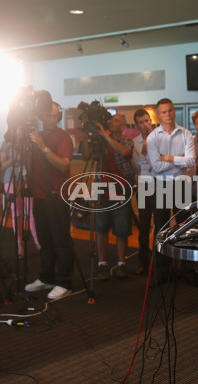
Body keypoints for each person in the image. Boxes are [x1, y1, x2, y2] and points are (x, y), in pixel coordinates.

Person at [22, 102, 75, 300]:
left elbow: (63, 165)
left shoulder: (63, 137)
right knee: (44, 240)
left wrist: (43, 147)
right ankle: (47, 277)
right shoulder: (37, 135)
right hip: (39, 194)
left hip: (57, 196)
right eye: (48, 115)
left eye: (55, 116)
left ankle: (64, 282)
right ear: (41, 116)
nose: (52, 120)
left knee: (61, 241)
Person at [147, 98, 195, 280]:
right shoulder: (153, 137)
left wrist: (167, 157)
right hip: (160, 185)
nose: (168, 114)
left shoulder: (185, 134)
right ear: (159, 114)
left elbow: (191, 161)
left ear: (174, 111)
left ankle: (187, 271)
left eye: (171, 110)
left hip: (181, 184)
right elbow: (156, 166)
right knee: (161, 229)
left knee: (185, 227)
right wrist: (179, 160)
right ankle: (160, 272)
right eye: (164, 112)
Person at [92, 114, 135, 280]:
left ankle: (121, 263)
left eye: (116, 120)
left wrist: (104, 135)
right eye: (111, 119)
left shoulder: (126, 141)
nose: (111, 121)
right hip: (102, 187)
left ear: (123, 126)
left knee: (121, 227)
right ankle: (101, 262)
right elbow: (89, 154)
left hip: (120, 187)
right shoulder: (101, 140)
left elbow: (123, 151)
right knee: (101, 226)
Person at [0, 127, 40, 259]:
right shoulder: (6, 143)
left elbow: (31, 164)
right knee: (17, 213)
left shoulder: (28, 144)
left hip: (26, 178)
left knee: (32, 213)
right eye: (20, 127)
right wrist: (15, 158)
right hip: (10, 178)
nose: (22, 130)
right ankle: (19, 243)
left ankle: (38, 242)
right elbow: (2, 165)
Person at [132, 109, 154, 274]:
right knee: (144, 228)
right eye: (141, 122)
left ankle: (162, 263)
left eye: (147, 120)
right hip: (145, 186)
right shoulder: (135, 143)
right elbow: (136, 167)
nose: (145, 124)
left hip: (162, 186)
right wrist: (146, 149)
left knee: (162, 226)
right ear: (137, 125)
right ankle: (144, 263)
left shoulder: (161, 138)